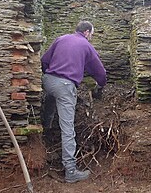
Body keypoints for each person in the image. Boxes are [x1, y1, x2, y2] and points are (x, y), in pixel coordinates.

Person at [41, 21, 107, 183]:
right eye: (91, 33)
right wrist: (101, 84)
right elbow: (99, 71)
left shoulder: (61, 39)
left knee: (50, 99)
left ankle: (46, 129)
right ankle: (70, 170)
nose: (91, 37)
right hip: (65, 85)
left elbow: (44, 60)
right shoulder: (86, 45)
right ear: (86, 32)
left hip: (48, 80)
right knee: (68, 128)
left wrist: (51, 76)